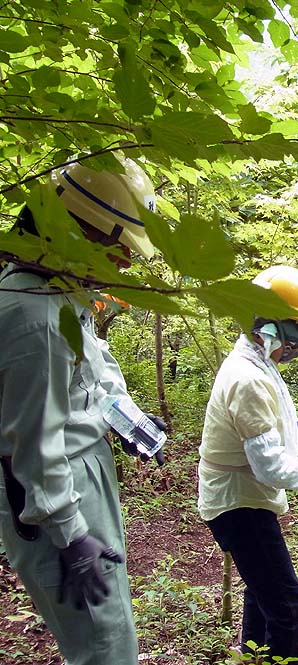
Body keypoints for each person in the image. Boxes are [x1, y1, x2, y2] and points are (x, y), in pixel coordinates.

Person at [0, 156, 164, 665]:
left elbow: (89, 380)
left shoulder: (58, 294)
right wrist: (71, 537)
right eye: (118, 247)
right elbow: (34, 442)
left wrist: (128, 420)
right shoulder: (36, 315)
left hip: (76, 475)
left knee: (110, 632)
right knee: (104, 646)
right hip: (55, 494)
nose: (125, 262)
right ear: (77, 229)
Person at [198, 265, 298, 663]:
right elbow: (269, 464)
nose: (297, 349)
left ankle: (253, 657)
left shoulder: (257, 364)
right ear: (270, 327)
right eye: (296, 338)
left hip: (243, 498)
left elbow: (269, 430)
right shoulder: (248, 377)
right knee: (287, 604)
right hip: (238, 504)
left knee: (262, 591)